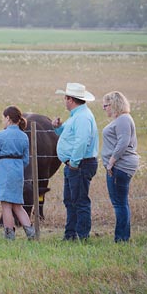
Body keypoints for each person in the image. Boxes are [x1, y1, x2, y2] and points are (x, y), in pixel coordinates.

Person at [52, 83, 99, 241]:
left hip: (79, 164)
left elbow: (81, 142)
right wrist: (58, 127)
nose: (64, 101)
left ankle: (81, 236)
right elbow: (67, 134)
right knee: (70, 200)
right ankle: (71, 234)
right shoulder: (76, 116)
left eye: (65, 98)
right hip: (75, 164)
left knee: (79, 201)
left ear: (70, 99)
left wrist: (74, 163)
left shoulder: (82, 117)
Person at [0, 106, 36, 240]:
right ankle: (31, 232)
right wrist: (18, 167)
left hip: (3, 171)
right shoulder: (24, 136)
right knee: (18, 205)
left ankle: (10, 235)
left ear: (8, 118)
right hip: (18, 171)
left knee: (6, 206)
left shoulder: (0, 135)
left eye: (3, 118)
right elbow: (26, 159)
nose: (3, 121)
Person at [101, 91, 139, 243]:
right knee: (121, 202)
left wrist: (111, 161)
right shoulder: (121, 119)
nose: (104, 109)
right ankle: (123, 236)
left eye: (106, 105)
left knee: (119, 203)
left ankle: (121, 238)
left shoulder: (123, 119)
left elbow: (123, 142)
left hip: (120, 166)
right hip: (120, 165)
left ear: (114, 104)